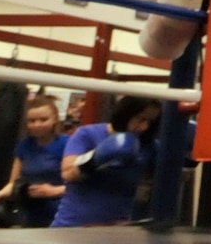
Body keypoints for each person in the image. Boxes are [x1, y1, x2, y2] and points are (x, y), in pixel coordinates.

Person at [54, 96, 158, 228]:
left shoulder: (149, 146)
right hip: (72, 225)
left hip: (115, 230)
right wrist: (96, 157)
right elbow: (67, 172)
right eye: (141, 119)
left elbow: (168, 178)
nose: (144, 127)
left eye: (150, 122)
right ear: (126, 114)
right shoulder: (87, 134)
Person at [0, 94, 67, 228]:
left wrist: (53, 191)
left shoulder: (67, 144)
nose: (37, 124)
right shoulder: (24, 146)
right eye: (32, 120)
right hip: (30, 213)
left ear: (55, 119)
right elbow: (14, 183)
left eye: (43, 119)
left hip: (60, 212)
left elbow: (81, 185)